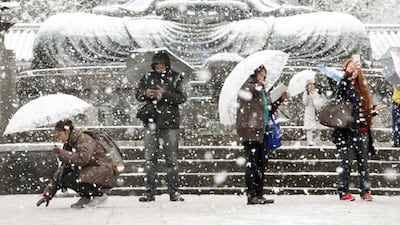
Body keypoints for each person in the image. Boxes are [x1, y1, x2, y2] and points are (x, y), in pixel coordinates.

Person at [31, 0, 370, 69]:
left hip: (247, 27)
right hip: (153, 25)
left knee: (346, 27)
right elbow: (118, 9)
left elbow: (279, 8)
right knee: (57, 30)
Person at [135, 50, 187, 202]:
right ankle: (149, 192)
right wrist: (147, 93)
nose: (159, 68)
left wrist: (165, 95)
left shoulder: (176, 77)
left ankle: (174, 191)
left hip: (170, 123)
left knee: (171, 160)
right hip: (151, 121)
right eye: (157, 66)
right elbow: (138, 95)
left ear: (167, 65)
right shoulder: (147, 77)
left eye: (161, 66)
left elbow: (182, 97)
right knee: (150, 160)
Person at [332, 57, 386, 201]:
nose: (354, 71)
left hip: (363, 132)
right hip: (348, 132)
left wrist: (373, 110)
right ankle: (343, 191)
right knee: (346, 163)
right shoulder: (343, 85)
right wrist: (347, 76)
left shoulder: (361, 88)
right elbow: (338, 98)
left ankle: (365, 191)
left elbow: (362, 111)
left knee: (363, 163)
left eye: (356, 68)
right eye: (351, 68)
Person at [236, 64, 287, 205]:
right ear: (254, 74)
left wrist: (280, 99)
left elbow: (268, 109)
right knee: (252, 163)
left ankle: (259, 194)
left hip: (263, 130)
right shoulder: (246, 86)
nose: (263, 77)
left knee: (261, 163)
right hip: (250, 130)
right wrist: (260, 86)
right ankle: (251, 195)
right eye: (260, 74)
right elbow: (248, 92)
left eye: (264, 75)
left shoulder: (261, 90)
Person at [36, 119, 115, 208]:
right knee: (64, 176)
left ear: (67, 131)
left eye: (60, 135)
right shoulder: (69, 144)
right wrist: (48, 195)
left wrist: (63, 154)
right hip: (90, 170)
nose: (59, 138)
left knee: (69, 178)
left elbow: (84, 158)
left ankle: (99, 195)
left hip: (101, 169)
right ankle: (86, 197)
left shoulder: (83, 138)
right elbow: (62, 170)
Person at [302, 79, 324, 146]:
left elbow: (320, 103)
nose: (311, 86)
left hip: (316, 112)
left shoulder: (317, 93)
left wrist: (319, 95)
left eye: (312, 84)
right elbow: (305, 102)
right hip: (309, 112)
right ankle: (310, 142)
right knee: (309, 128)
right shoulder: (306, 93)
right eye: (309, 85)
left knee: (317, 127)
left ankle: (317, 141)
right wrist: (307, 95)